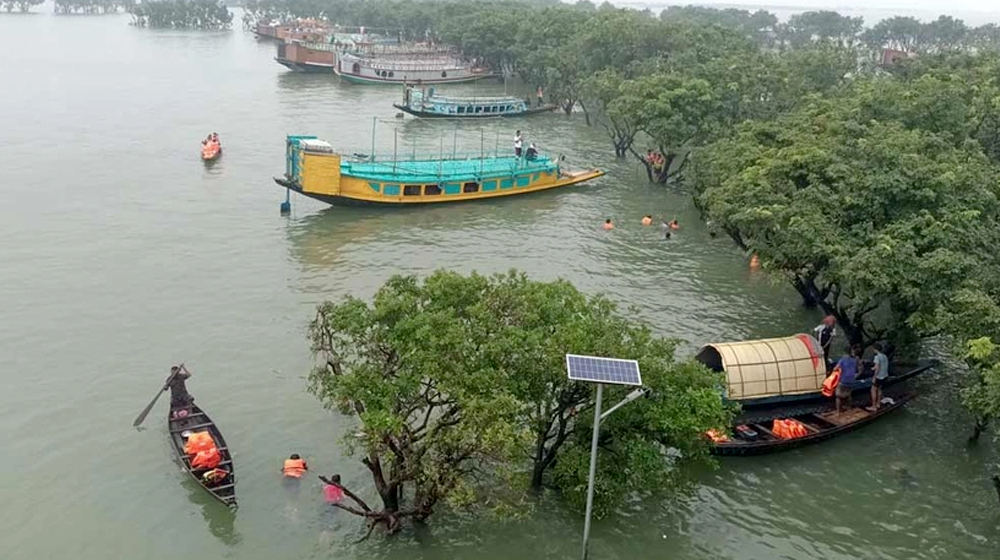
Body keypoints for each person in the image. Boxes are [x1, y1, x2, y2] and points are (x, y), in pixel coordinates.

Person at [835, 345, 861, 413]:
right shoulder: (854, 360)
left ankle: (838, 411)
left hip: (843, 380)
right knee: (849, 395)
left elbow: (835, 368)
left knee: (838, 396)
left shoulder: (842, 360)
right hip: (851, 380)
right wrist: (856, 375)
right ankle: (849, 408)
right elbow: (859, 368)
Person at [867, 343, 890, 411]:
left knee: (873, 390)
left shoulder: (877, 357)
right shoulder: (884, 356)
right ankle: (878, 403)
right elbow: (882, 365)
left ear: (875, 349)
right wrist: (873, 368)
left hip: (878, 376)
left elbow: (877, 367)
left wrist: (874, 377)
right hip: (885, 375)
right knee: (880, 389)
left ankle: (873, 406)